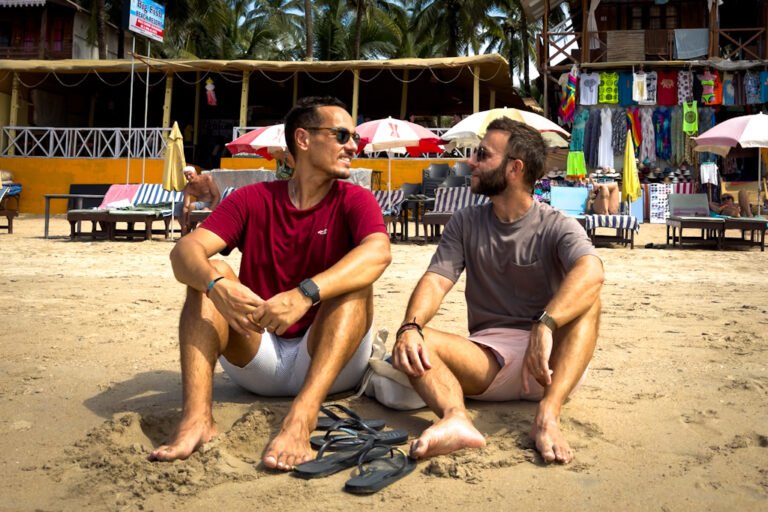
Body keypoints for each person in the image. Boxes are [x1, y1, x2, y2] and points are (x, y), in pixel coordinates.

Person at [149, 97, 392, 470]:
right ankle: (197, 419)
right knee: (208, 271)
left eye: (355, 137)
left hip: (330, 361)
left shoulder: (355, 200)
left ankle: (302, 417)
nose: (353, 146)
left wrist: (305, 294)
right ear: (303, 139)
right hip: (259, 355)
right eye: (342, 135)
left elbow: (378, 253)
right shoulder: (252, 199)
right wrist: (217, 285)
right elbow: (184, 253)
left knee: (354, 283)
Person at [392, 118, 604, 464]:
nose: (471, 163)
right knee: (417, 339)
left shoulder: (556, 225)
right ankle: (456, 418)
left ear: (514, 169)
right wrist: (409, 326)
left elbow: (591, 270)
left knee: (589, 298)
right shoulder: (465, 221)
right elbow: (436, 280)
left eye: (482, 155)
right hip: (490, 361)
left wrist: (545, 324)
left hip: (553, 365)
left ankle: (548, 416)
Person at [176, 166, 221, 235]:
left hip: (211, 203)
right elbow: (185, 206)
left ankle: (189, 227)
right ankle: (186, 227)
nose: (188, 177)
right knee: (178, 207)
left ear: (195, 173)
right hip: (199, 205)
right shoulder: (188, 187)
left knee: (193, 205)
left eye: (190, 174)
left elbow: (217, 196)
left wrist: (210, 209)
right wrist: (184, 224)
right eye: (186, 176)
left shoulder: (207, 179)